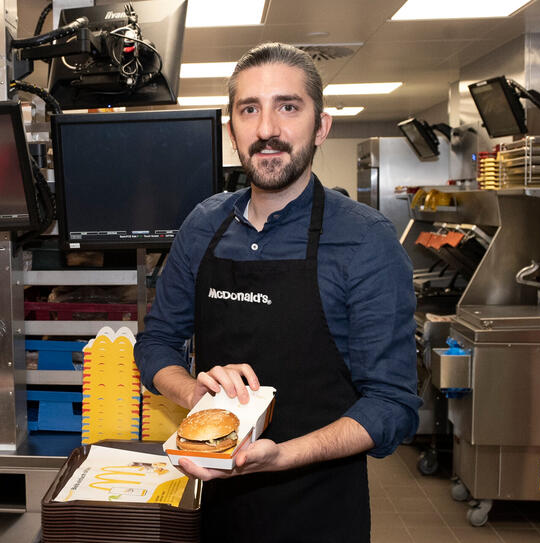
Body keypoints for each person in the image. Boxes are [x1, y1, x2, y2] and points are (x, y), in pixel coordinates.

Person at [134, 43, 420, 542]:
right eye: (250, 109)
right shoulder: (203, 226)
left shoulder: (365, 240)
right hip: (216, 507)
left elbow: (392, 404)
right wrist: (194, 392)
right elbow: (156, 344)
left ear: (321, 126)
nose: (267, 129)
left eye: (288, 107)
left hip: (322, 512)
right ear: (232, 131)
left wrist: (282, 455)